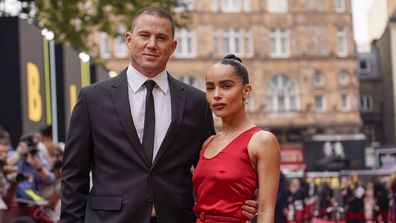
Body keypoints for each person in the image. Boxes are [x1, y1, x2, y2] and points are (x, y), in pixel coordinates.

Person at [60, 7, 257, 223]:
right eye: (144, 35)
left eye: (161, 38)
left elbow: (211, 167)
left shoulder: (196, 102)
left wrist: (240, 199)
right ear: (129, 39)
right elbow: (74, 175)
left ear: (172, 47)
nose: (152, 44)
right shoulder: (92, 98)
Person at [192, 54, 280, 223]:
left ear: (246, 91)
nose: (216, 95)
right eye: (210, 88)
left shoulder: (262, 141)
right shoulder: (207, 143)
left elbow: (265, 211)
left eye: (226, 86)